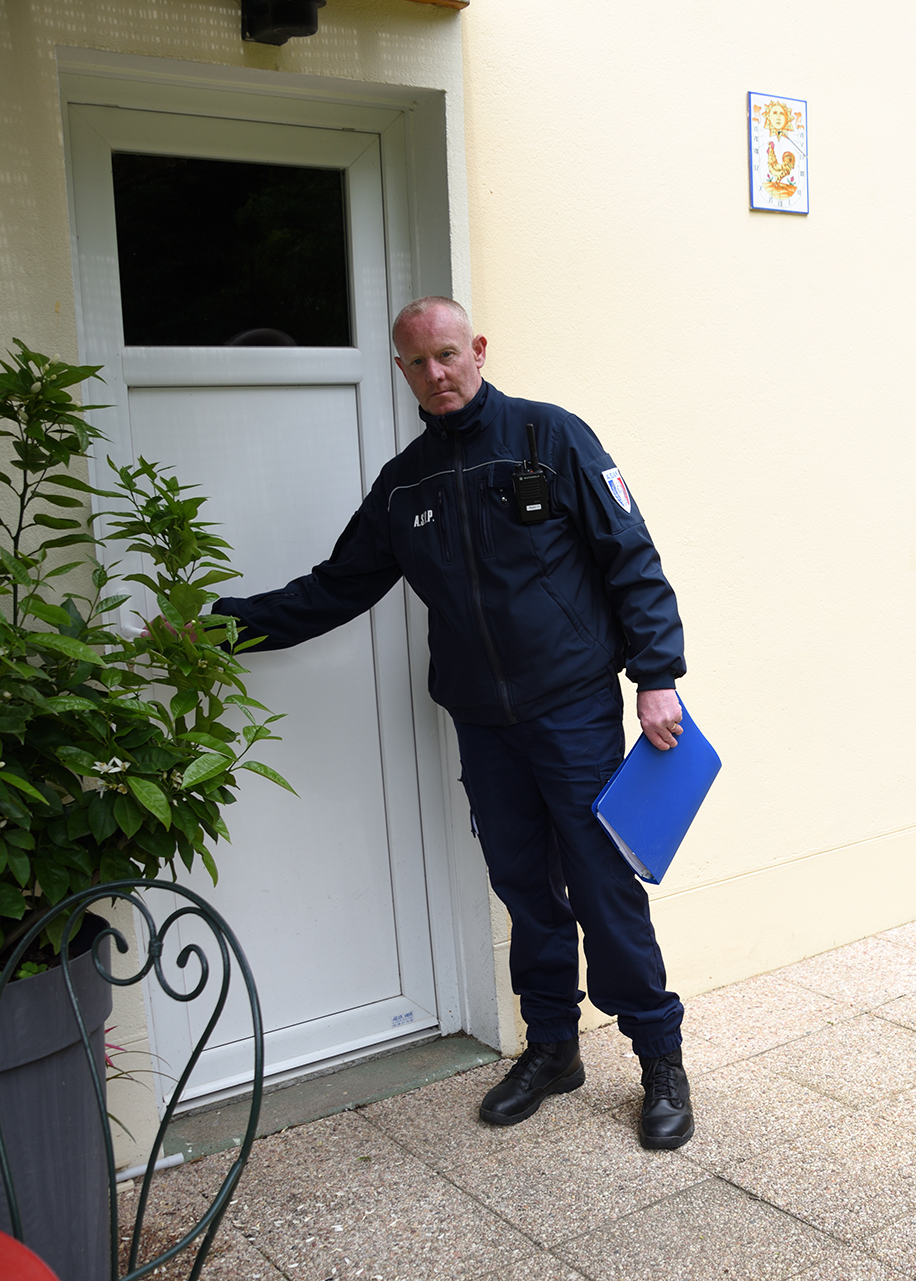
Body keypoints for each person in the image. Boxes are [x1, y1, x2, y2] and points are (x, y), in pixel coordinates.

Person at [214, 296, 696, 1148]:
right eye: (416, 363)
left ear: (476, 348)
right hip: (485, 723)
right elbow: (333, 588)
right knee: (523, 888)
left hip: (575, 711)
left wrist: (655, 675)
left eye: (447, 354)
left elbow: (632, 554)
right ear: (400, 371)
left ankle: (660, 1056)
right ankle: (552, 1048)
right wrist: (218, 627)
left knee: (603, 885)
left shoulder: (554, 437)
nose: (435, 374)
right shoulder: (405, 486)